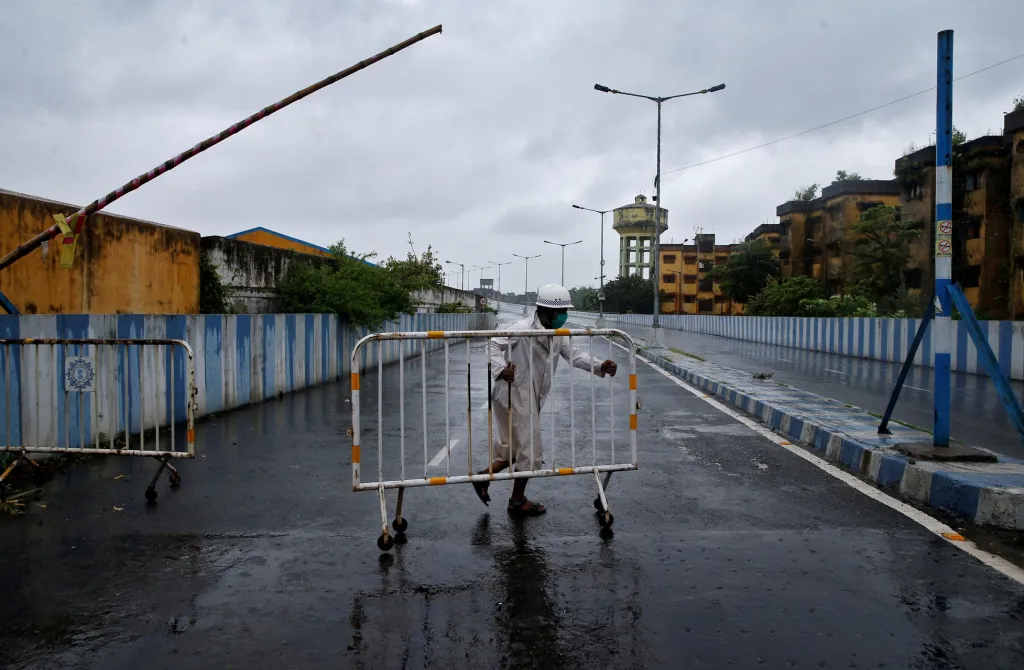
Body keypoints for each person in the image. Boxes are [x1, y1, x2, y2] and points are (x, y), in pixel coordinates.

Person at [472, 283, 617, 516]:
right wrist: (500, 369)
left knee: (513, 450)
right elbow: (492, 344)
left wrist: (601, 365)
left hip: (525, 396)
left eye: (565, 313)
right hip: (514, 394)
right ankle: (517, 502)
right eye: (561, 313)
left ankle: (482, 477)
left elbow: (575, 356)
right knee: (529, 452)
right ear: (545, 311)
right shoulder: (521, 328)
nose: (564, 317)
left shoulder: (557, 334)